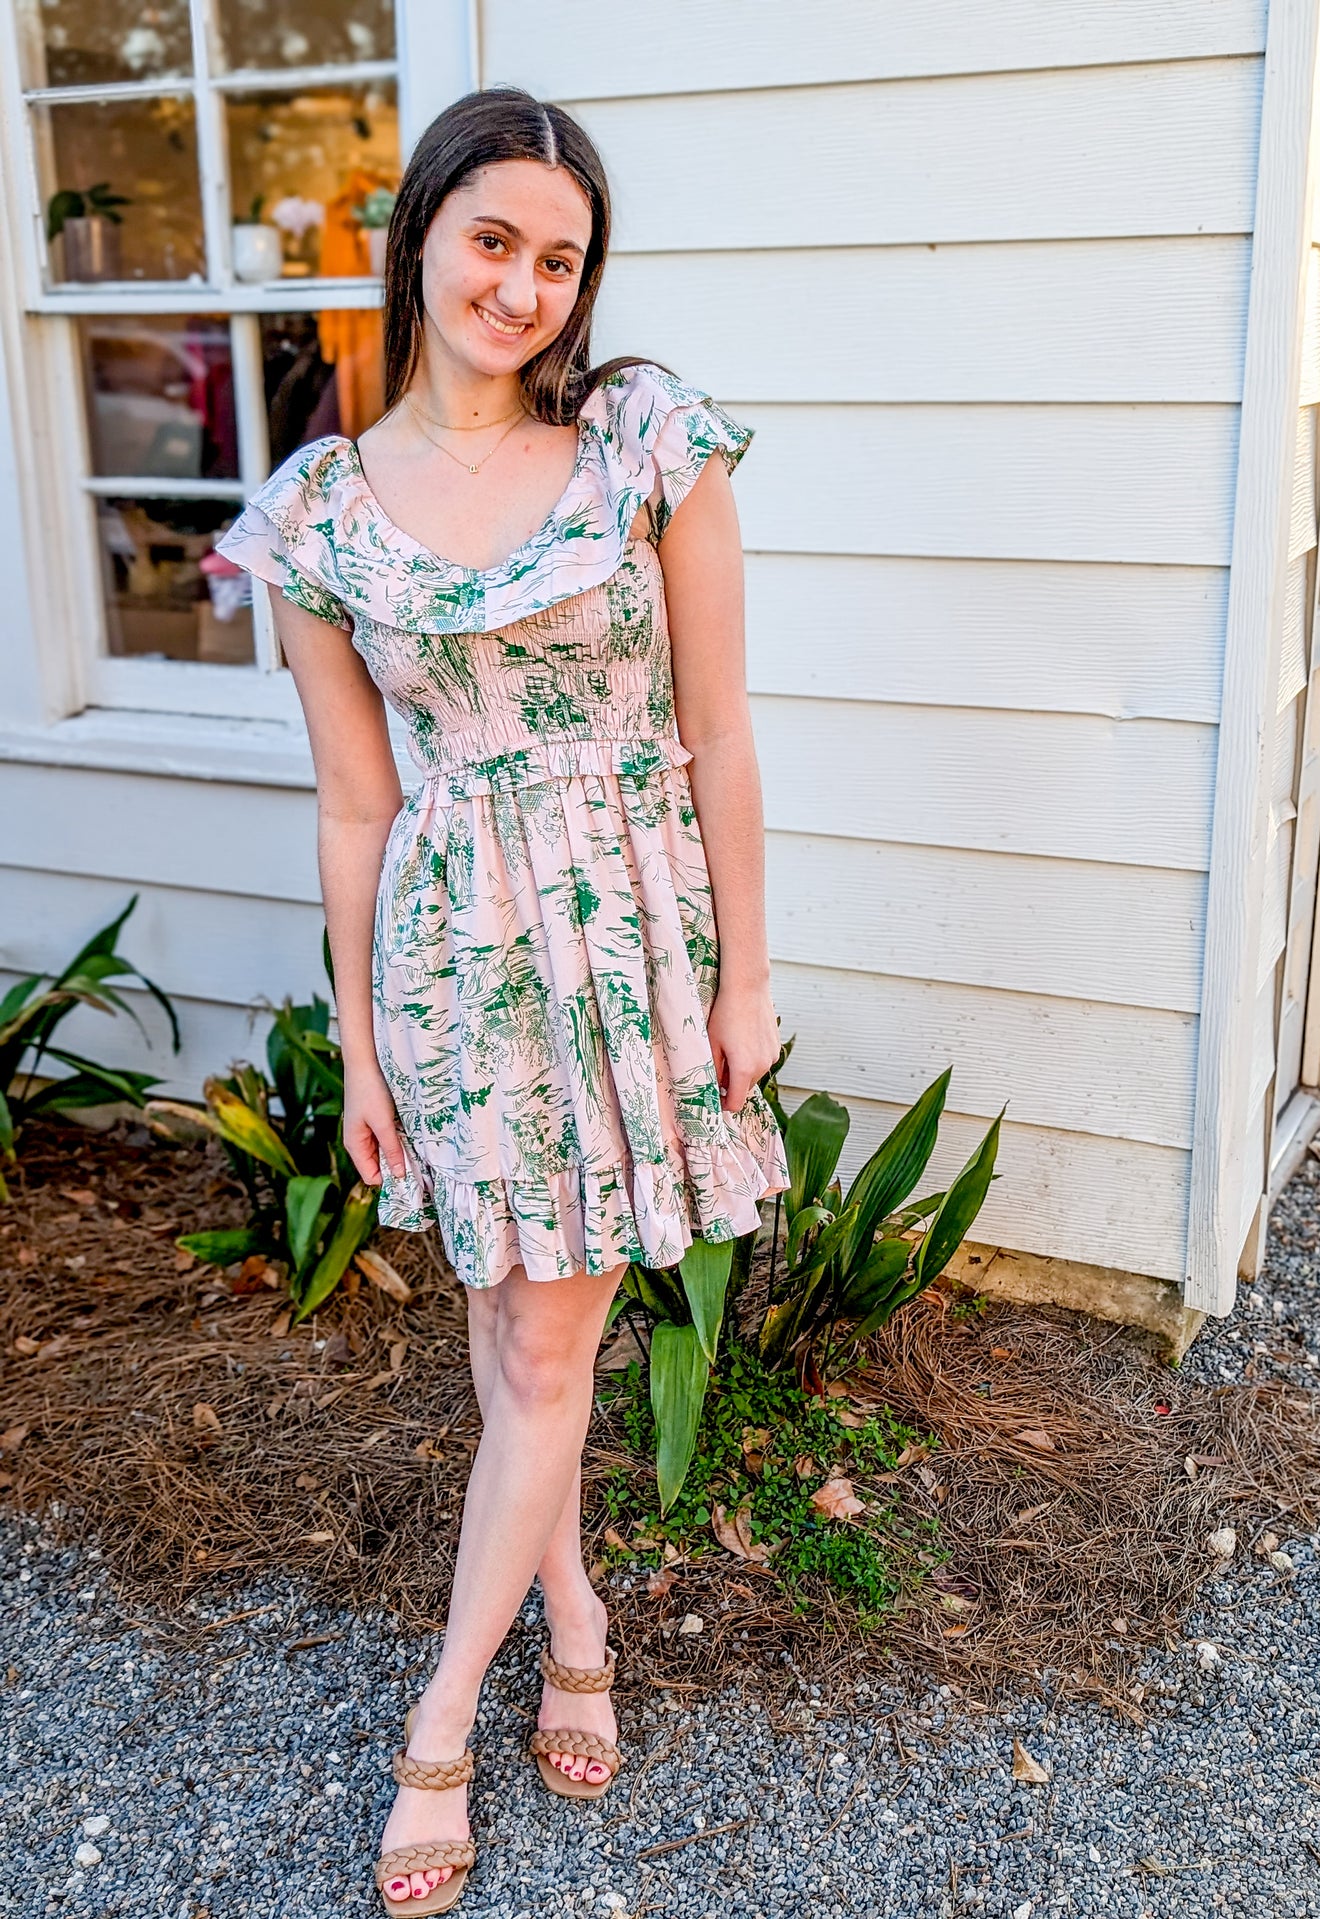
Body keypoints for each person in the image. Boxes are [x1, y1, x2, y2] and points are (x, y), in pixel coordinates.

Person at [215, 85, 789, 1916]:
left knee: (546, 1346)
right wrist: (364, 1041)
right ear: (422, 235)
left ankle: (440, 1726)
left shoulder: (644, 441)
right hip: (454, 955)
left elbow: (715, 728)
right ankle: (579, 1618)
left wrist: (746, 981)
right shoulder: (315, 514)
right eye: (495, 240)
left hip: (628, 937)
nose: (527, 285)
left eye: (562, 256)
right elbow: (353, 799)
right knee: (506, 1325)